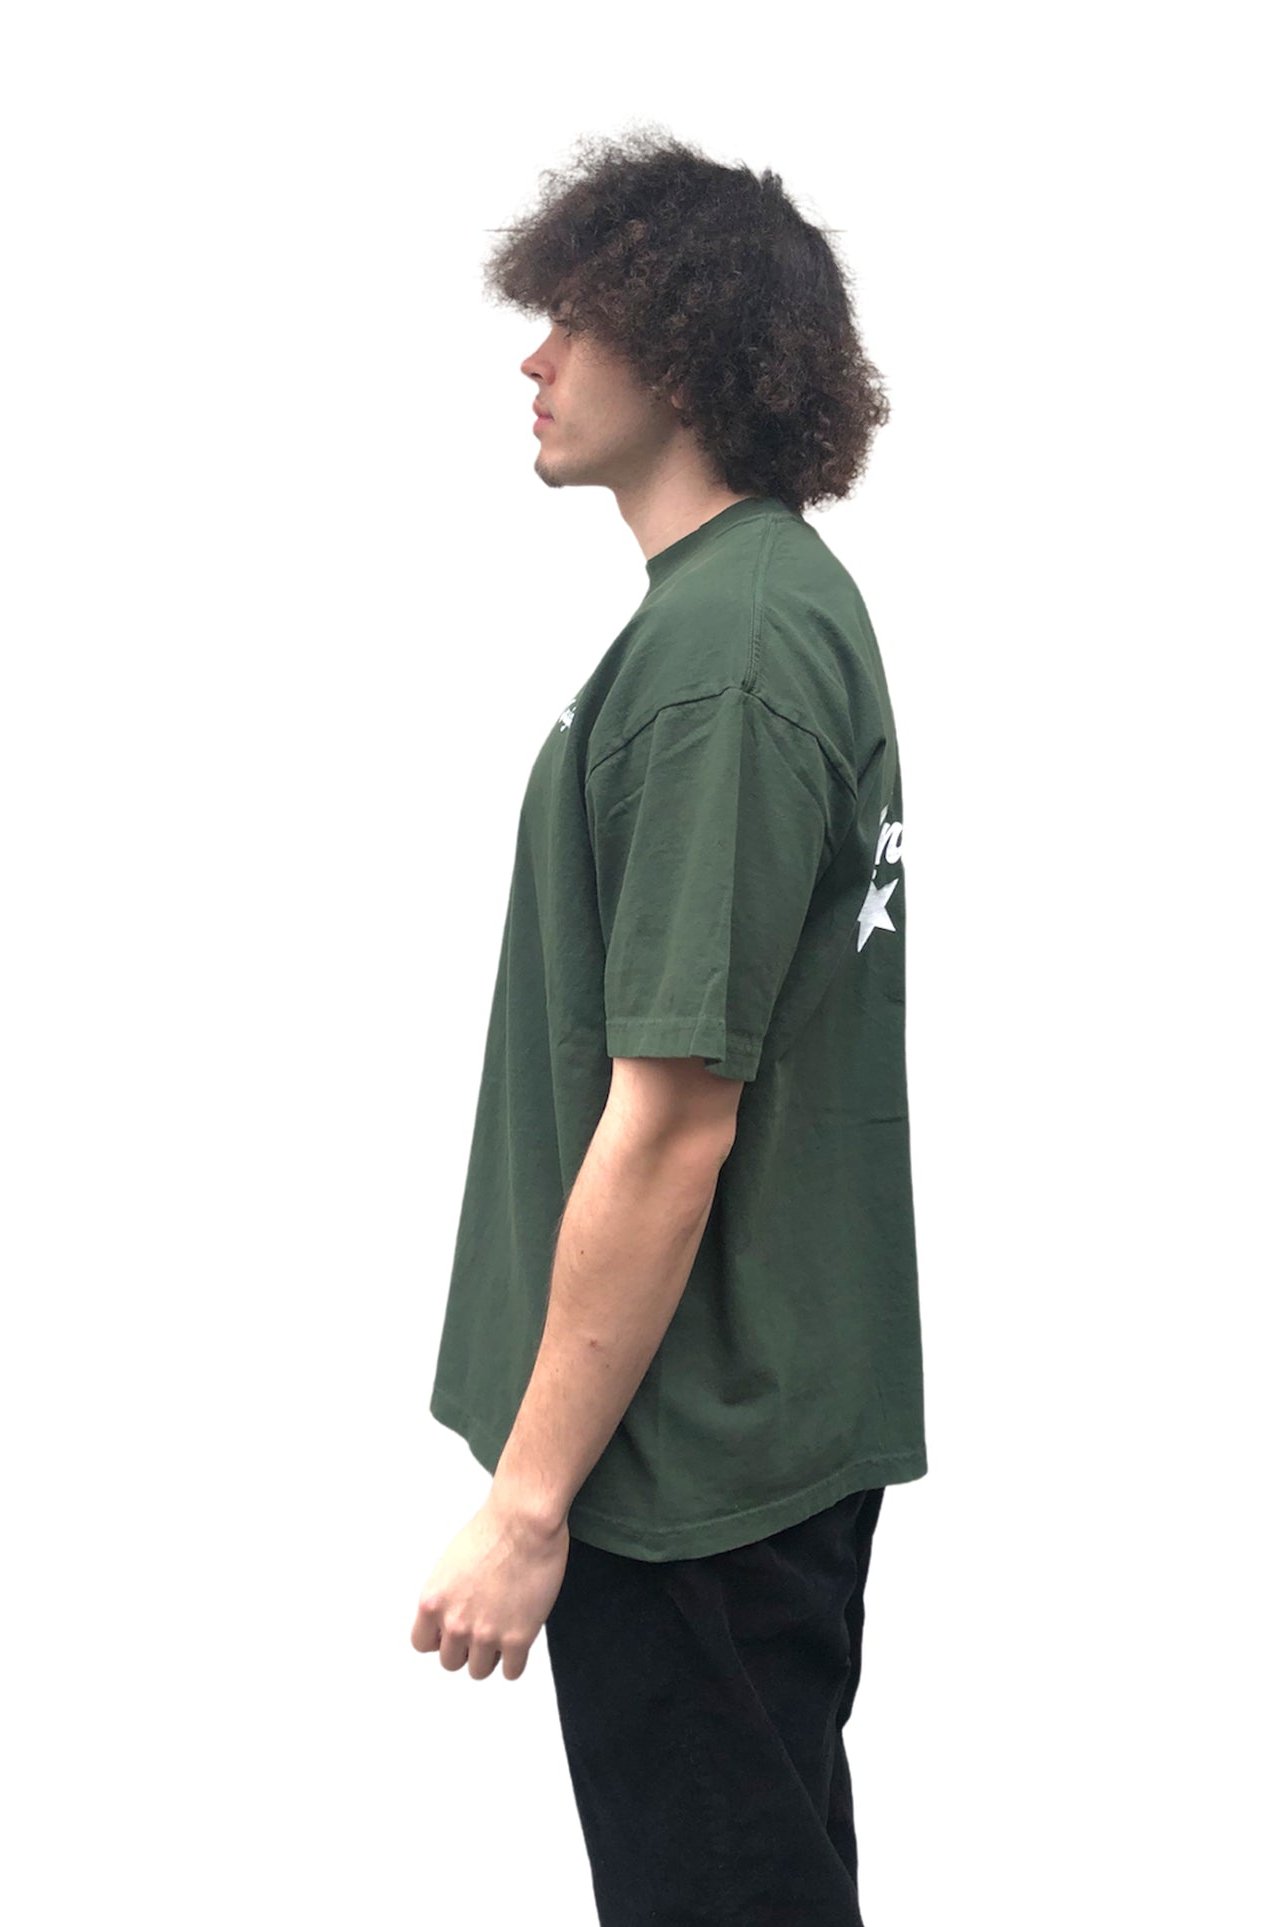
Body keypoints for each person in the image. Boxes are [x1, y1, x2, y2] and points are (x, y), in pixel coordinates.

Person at [410, 125, 927, 1925]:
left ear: (690, 349)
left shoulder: (726, 654)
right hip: (718, 1429)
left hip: (691, 1459)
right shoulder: (746, 610)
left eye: (577, 320)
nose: (536, 359)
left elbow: (675, 1115)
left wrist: (527, 1503)